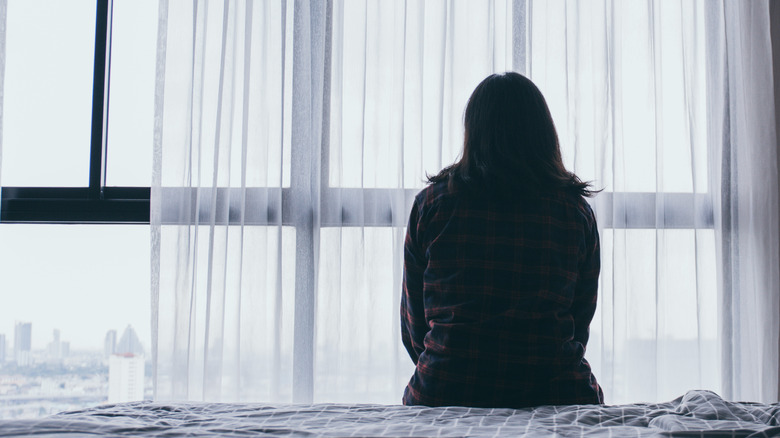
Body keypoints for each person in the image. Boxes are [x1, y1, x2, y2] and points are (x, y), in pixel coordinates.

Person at [400, 72, 603, 408]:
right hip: (558, 390)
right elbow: (579, 320)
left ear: (473, 131)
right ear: (543, 132)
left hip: (444, 388)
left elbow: (414, 327)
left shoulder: (431, 205)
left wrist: (452, 361)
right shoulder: (574, 211)